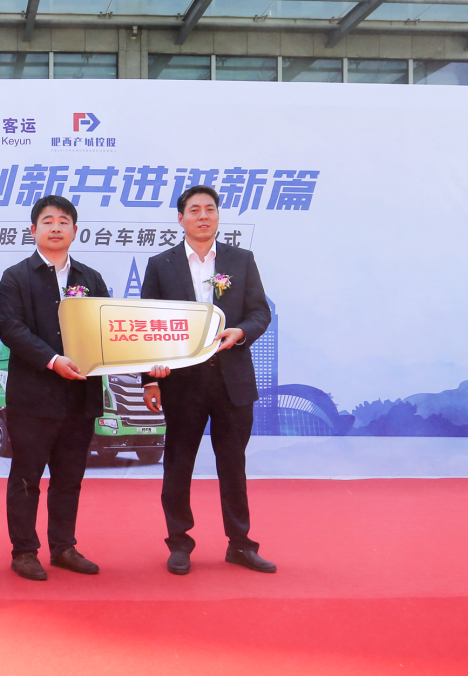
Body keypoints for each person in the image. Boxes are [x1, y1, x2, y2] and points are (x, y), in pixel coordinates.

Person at [141, 185, 276, 575]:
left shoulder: (241, 260)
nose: (203, 216)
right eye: (195, 210)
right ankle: (179, 543)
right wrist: (150, 380)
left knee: (233, 465)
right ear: (180, 218)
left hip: (232, 379)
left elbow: (259, 312)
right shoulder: (161, 264)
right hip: (182, 382)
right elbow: (147, 324)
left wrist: (241, 332)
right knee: (178, 464)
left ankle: (240, 544)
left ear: (218, 216)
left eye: (210, 209)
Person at [0, 194, 108, 581]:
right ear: (33, 230)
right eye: (48, 221)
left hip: (80, 397)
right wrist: (53, 360)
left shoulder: (91, 279)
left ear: (75, 231)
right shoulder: (16, 277)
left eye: (63, 221)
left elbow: (106, 328)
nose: (56, 227)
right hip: (33, 397)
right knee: (26, 478)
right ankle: (24, 551)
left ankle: (63, 547)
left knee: (69, 478)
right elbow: (11, 329)